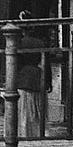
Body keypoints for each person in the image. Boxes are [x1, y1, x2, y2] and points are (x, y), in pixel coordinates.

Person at [17, 11, 51, 139]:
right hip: (37, 76)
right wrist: (48, 81)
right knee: (37, 110)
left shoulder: (18, 43)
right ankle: (38, 133)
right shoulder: (40, 43)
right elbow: (46, 63)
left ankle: (24, 133)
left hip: (23, 77)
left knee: (24, 109)